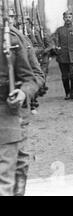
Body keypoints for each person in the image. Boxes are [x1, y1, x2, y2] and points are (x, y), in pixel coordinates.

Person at [1, 11, 39, 196]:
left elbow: (35, 76)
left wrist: (23, 93)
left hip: (10, 110)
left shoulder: (13, 39)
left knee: (18, 163)